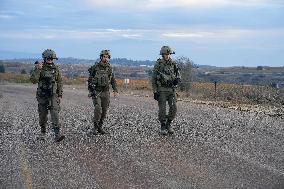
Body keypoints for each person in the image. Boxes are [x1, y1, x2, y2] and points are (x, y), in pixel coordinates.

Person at [30, 49, 65, 142]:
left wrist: (60, 94)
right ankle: (43, 132)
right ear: (44, 58)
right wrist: (38, 69)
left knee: (55, 113)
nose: (50, 60)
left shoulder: (56, 68)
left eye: (51, 58)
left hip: (53, 95)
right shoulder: (40, 67)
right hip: (42, 95)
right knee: (43, 115)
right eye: (48, 58)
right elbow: (33, 80)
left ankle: (57, 134)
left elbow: (60, 81)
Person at [152, 46, 181, 135]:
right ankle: (163, 126)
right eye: (165, 54)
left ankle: (169, 124)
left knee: (174, 108)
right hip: (162, 89)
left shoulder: (173, 64)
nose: (167, 56)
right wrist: (155, 91)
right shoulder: (158, 64)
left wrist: (177, 80)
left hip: (171, 89)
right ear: (162, 55)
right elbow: (153, 79)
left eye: (168, 54)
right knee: (162, 109)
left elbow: (178, 74)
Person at [88, 50, 118, 135]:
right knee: (98, 109)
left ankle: (100, 127)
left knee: (104, 111)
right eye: (104, 57)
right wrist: (90, 91)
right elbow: (90, 80)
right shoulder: (95, 67)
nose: (105, 58)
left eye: (107, 57)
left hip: (106, 92)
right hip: (97, 91)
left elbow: (113, 80)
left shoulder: (110, 68)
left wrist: (115, 90)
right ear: (101, 57)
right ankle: (94, 127)